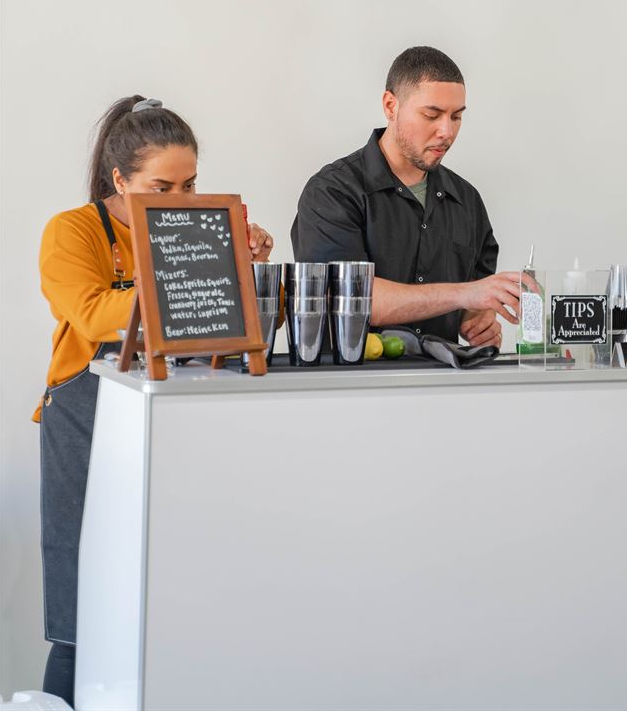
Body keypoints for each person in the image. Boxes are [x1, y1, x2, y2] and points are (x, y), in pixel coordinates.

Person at [36, 95, 273, 707]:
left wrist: (240, 267)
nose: (179, 201)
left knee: (164, 593)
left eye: (189, 185)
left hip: (168, 414)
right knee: (82, 606)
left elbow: (216, 324)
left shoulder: (197, 227)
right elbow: (93, 315)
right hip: (83, 416)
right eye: (160, 188)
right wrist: (193, 276)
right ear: (119, 179)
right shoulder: (72, 231)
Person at [291, 46, 519, 349]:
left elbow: (474, 300)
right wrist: (464, 294)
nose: (446, 131)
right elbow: (352, 297)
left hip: (443, 377)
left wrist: (479, 320)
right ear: (390, 106)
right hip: (353, 378)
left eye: (456, 117)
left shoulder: (467, 201)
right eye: (431, 115)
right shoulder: (333, 192)